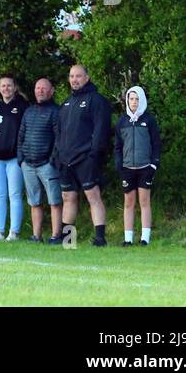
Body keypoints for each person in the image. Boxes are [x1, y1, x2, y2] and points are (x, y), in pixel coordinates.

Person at [51, 64, 113, 247]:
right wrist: (57, 154)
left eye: (78, 76)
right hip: (65, 160)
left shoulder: (97, 100)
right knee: (68, 198)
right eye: (71, 76)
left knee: (93, 195)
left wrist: (94, 154)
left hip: (86, 158)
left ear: (87, 77)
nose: (74, 80)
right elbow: (59, 132)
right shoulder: (66, 103)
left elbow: (101, 130)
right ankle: (68, 239)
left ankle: (100, 239)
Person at [17, 77, 62, 242]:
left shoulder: (56, 112)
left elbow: (59, 138)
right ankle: (36, 236)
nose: (40, 91)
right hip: (28, 164)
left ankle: (56, 235)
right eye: (37, 88)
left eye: (44, 88)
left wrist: (52, 159)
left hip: (47, 165)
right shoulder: (29, 111)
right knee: (34, 202)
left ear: (51, 91)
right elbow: (21, 135)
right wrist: (20, 158)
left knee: (55, 201)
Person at [114, 86, 161, 246]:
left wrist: (154, 165)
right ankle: (128, 239)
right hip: (127, 169)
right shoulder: (122, 121)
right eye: (131, 99)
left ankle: (145, 238)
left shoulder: (149, 120)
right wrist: (119, 166)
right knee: (128, 202)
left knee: (144, 201)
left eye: (137, 99)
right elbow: (118, 146)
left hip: (145, 167)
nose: (134, 102)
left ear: (142, 100)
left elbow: (156, 144)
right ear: (127, 100)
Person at [0, 76, 28, 241]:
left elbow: (24, 132)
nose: (6, 88)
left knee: (15, 194)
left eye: (9, 85)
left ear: (14, 87)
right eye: (3, 86)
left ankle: (14, 232)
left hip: (14, 158)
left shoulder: (22, 107)